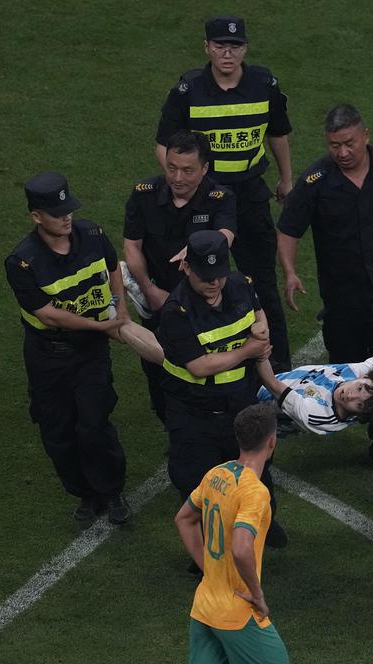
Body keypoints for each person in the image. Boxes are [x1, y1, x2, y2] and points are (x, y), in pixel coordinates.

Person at [276, 103, 373, 468]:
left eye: (349, 143)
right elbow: (289, 229)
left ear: (365, 135)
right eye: (334, 145)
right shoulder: (316, 180)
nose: (342, 152)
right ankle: (333, 414)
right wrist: (290, 271)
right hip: (343, 295)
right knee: (344, 364)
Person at [155, 15, 293, 372]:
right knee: (199, 277)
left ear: (245, 49)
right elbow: (165, 145)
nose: (227, 54)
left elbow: (278, 133)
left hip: (250, 193)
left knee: (262, 282)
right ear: (207, 48)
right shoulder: (188, 90)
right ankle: (201, 355)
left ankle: (277, 366)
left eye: (234, 47)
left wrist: (286, 179)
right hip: (206, 199)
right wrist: (184, 182)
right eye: (219, 46)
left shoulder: (265, 84)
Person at [3, 172, 131, 525]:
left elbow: (112, 267)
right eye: (57, 213)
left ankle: (111, 490)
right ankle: (85, 494)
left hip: (89, 352)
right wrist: (102, 326)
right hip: (49, 355)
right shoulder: (23, 262)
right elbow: (50, 315)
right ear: (36, 217)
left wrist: (119, 307)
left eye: (68, 209)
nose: (67, 217)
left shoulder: (92, 234)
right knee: (56, 429)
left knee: (94, 423)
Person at [156, 230, 287, 547]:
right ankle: (206, 553)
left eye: (219, 275)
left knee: (257, 473)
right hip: (194, 412)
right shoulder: (177, 311)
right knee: (197, 481)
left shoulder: (239, 283)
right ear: (187, 268)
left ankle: (262, 522)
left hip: (240, 403)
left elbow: (258, 312)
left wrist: (262, 331)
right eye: (205, 276)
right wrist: (250, 349)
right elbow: (199, 366)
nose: (214, 282)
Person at [174, 403, 301, 664]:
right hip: (238, 611)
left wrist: (209, 567)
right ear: (272, 441)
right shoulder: (255, 492)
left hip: (204, 605)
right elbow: (242, 547)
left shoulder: (217, 474)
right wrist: (257, 594)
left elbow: (184, 518)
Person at [125, 129, 237, 423]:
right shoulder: (144, 194)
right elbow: (131, 246)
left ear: (204, 168)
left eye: (187, 171)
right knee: (157, 361)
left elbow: (226, 234)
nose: (177, 178)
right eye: (172, 168)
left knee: (205, 360)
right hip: (156, 294)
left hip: (204, 298)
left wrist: (200, 248)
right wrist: (149, 290)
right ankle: (167, 418)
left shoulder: (220, 198)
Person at [253, 338, 373, 436]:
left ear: (359, 415)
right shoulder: (360, 374)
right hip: (281, 377)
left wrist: (258, 353)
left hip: (258, 396)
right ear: (365, 377)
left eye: (358, 405)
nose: (349, 396)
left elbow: (271, 383)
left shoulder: (319, 415)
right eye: (360, 389)